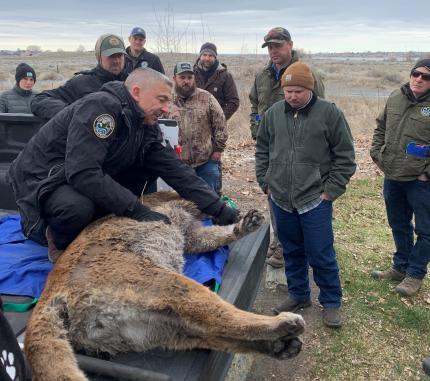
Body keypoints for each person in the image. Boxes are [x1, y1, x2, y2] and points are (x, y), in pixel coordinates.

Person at [7, 68, 239, 263]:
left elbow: (175, 169)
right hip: (44, 181)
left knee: (142, 170)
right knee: (77, 209)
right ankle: (54, 236)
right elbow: (83, 173)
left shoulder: (144, 122)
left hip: (77, 173)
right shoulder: (102, 109)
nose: (167, 108)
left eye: (168, 101)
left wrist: (217, 208)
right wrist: (138, 211)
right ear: (136, 92)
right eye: (162, 100)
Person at [255, 62, 356, 328]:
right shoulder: (274, 113)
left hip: (314, 200)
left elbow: (345, 157)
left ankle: (331, 301)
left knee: (320, 253)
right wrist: (265, 180)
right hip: (280, 198)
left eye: (298, 91)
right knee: (291, 250)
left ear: (309, 89)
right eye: (288, 91)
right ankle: (299, 294)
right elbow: (262, 148)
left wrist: (330, 191)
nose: (292, 96)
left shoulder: (330, 114)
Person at [250, 27, 326, 269]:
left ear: (290, 45)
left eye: (278, 46)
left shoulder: (306, 73)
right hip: (271, 150)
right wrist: (256, 128)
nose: (273, 51)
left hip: (300, 152)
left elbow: (320, 110)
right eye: (269, 47)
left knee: (299, 199)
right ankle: (280, 243)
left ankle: (293, 248)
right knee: (274, 195)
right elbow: (254, 104)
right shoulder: (263, 76)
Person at [370, 59, 430, 297]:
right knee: (398, 223)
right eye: (416, 74)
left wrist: (427, 173)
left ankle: (415, 274)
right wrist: (376, 154)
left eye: (426, 77)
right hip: (393, 175)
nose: (419, 79)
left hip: (420, 180)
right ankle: (400, 266)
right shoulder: (396, 97)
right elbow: (380, 127)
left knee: (426, 231)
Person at [31, 33, 128, 120]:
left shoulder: (132, 83)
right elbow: (39, 100)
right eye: (111, 56)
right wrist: (75, 113)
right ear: (98, 57)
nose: (117, 61)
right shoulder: (82, 83)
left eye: (120, 56)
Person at [167, 62, 227, 194]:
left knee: (210, 202)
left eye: (189, 77)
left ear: (194, 78)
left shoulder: (207, 98)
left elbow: (221, 124)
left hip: (205, 163)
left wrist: (217, 150)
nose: (186, 81)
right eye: (182, 78)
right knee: (180, 206)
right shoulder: (166, 100)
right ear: (174, 79)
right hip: (176, 165)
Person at [194, 42, 239, 121]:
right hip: (194, 123)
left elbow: (233, 101)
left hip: (216, 126)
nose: (207, 58)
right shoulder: (191, 74)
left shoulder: (225, 76)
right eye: (204, 55)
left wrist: (219, 118)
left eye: (210, 55)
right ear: (200, 56)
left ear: (215, 57)